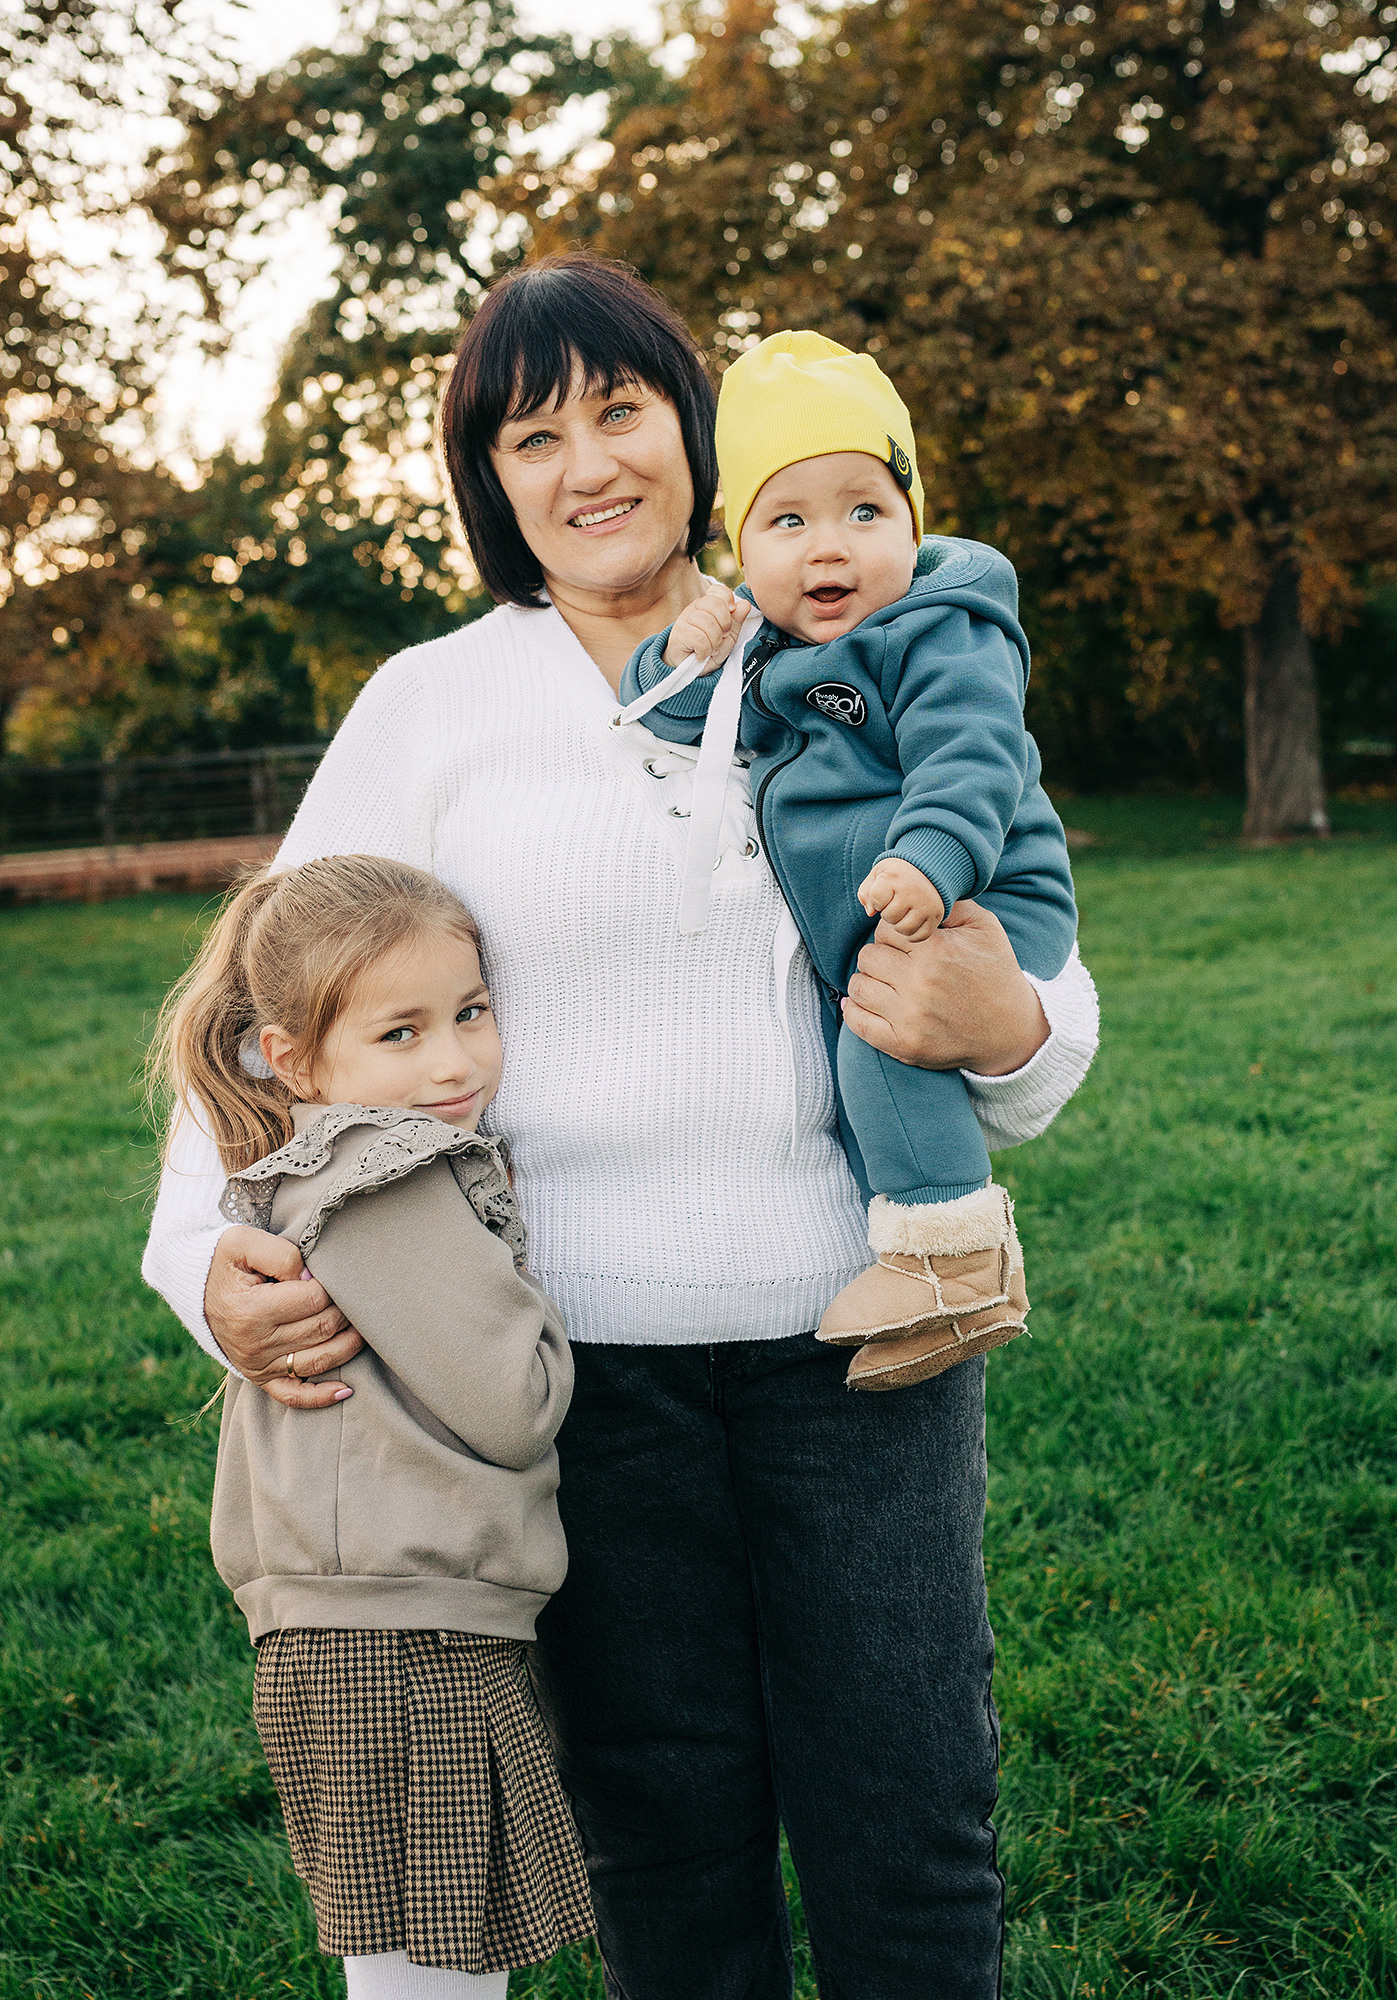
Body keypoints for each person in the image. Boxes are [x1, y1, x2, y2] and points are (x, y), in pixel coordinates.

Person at [142, 254, 1101, 2000]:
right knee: (664, 1827)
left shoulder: (840, 632)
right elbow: (255, 1001)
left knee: (908, 1818)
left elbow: (1027, 964)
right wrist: (210, 1262)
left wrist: (1014, 1028)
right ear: (490, 484)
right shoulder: (436, 704)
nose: (586, 463)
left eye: (621, 409)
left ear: (694, 430)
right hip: (576, 1364)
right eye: (532, 436)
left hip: (858, 1338)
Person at [147, 854, 591, 2000]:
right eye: (400, 1032)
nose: (452, 1060)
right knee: (430, 1968)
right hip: (404, 1629)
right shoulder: (387, 1171)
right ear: (290, 1055)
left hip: (370, 1614)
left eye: (471, 1012)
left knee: (410, 1950)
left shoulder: (325, 1158)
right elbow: (514, 1401)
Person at [621, 330, 1079, 1390]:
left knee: (878, 1041)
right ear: (741, 547)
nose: (829, 548)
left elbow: (971, 754)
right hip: (881, 911)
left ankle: (955, 1256)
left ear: (914, 523)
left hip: (974, 884)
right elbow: (677, 714)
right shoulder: (771, 648)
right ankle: (935, 1276)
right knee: (859, 1047)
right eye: (788, 521)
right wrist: (683, 647)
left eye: (864, 512)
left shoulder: (940, 631)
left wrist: (930, 860)